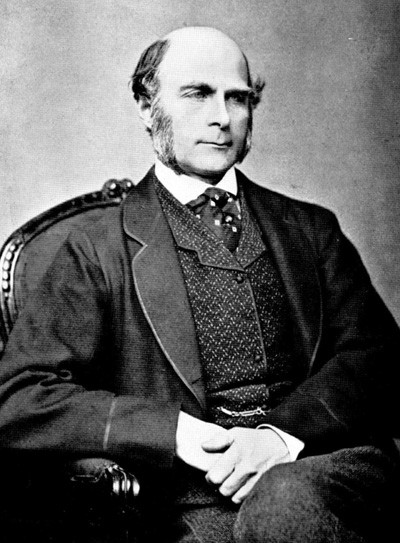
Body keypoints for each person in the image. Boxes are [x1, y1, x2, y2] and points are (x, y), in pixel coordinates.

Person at [0, 26, 399, 543]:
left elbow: (380, 359)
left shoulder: (310, 228)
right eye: (197, 94)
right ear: (146, 107)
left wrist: (280, 437)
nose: (222, 117)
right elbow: (20, 396)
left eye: (238, 98)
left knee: (284, 504)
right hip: (188, 498)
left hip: (322, 468)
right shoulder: (95, 248)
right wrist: (174, 433)